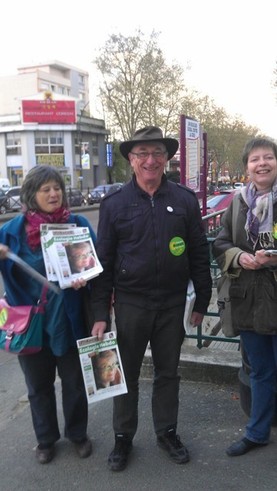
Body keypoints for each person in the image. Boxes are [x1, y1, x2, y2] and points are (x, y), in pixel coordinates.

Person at [91, 126, 212, 471]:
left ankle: (167, 432)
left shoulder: (184, 201)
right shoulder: (114, 205)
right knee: (123, 374)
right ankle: (122, 438)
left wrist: (202, 300)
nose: (150, 160)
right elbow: (104, 264)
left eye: (157, 152)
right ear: (130, 160)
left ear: (166, 158)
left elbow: (199, 254)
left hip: (173, 304)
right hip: (130, 305)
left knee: (168, 373)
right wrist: (100, 311)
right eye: (142, 153)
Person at [0, 165, 95, 464]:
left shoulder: (77, 224)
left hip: (67, 320)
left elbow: (95, 263)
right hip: (30, 324)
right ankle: (45, 440)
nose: (54, 194)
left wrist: (86, 277)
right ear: (32, 195)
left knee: (75, 383)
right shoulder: (10, 232)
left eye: (57, 188)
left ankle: (78, 434)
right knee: (38, 387)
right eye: (46, 189)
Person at [213, 137, 277, 457]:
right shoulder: (237, 203)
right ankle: (257, 432)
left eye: (268, 157)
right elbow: (220, 243)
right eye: (255, 159)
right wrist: (240, 257)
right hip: (248, 299)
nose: (262, 163)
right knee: (260, 370)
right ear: (247, 167)